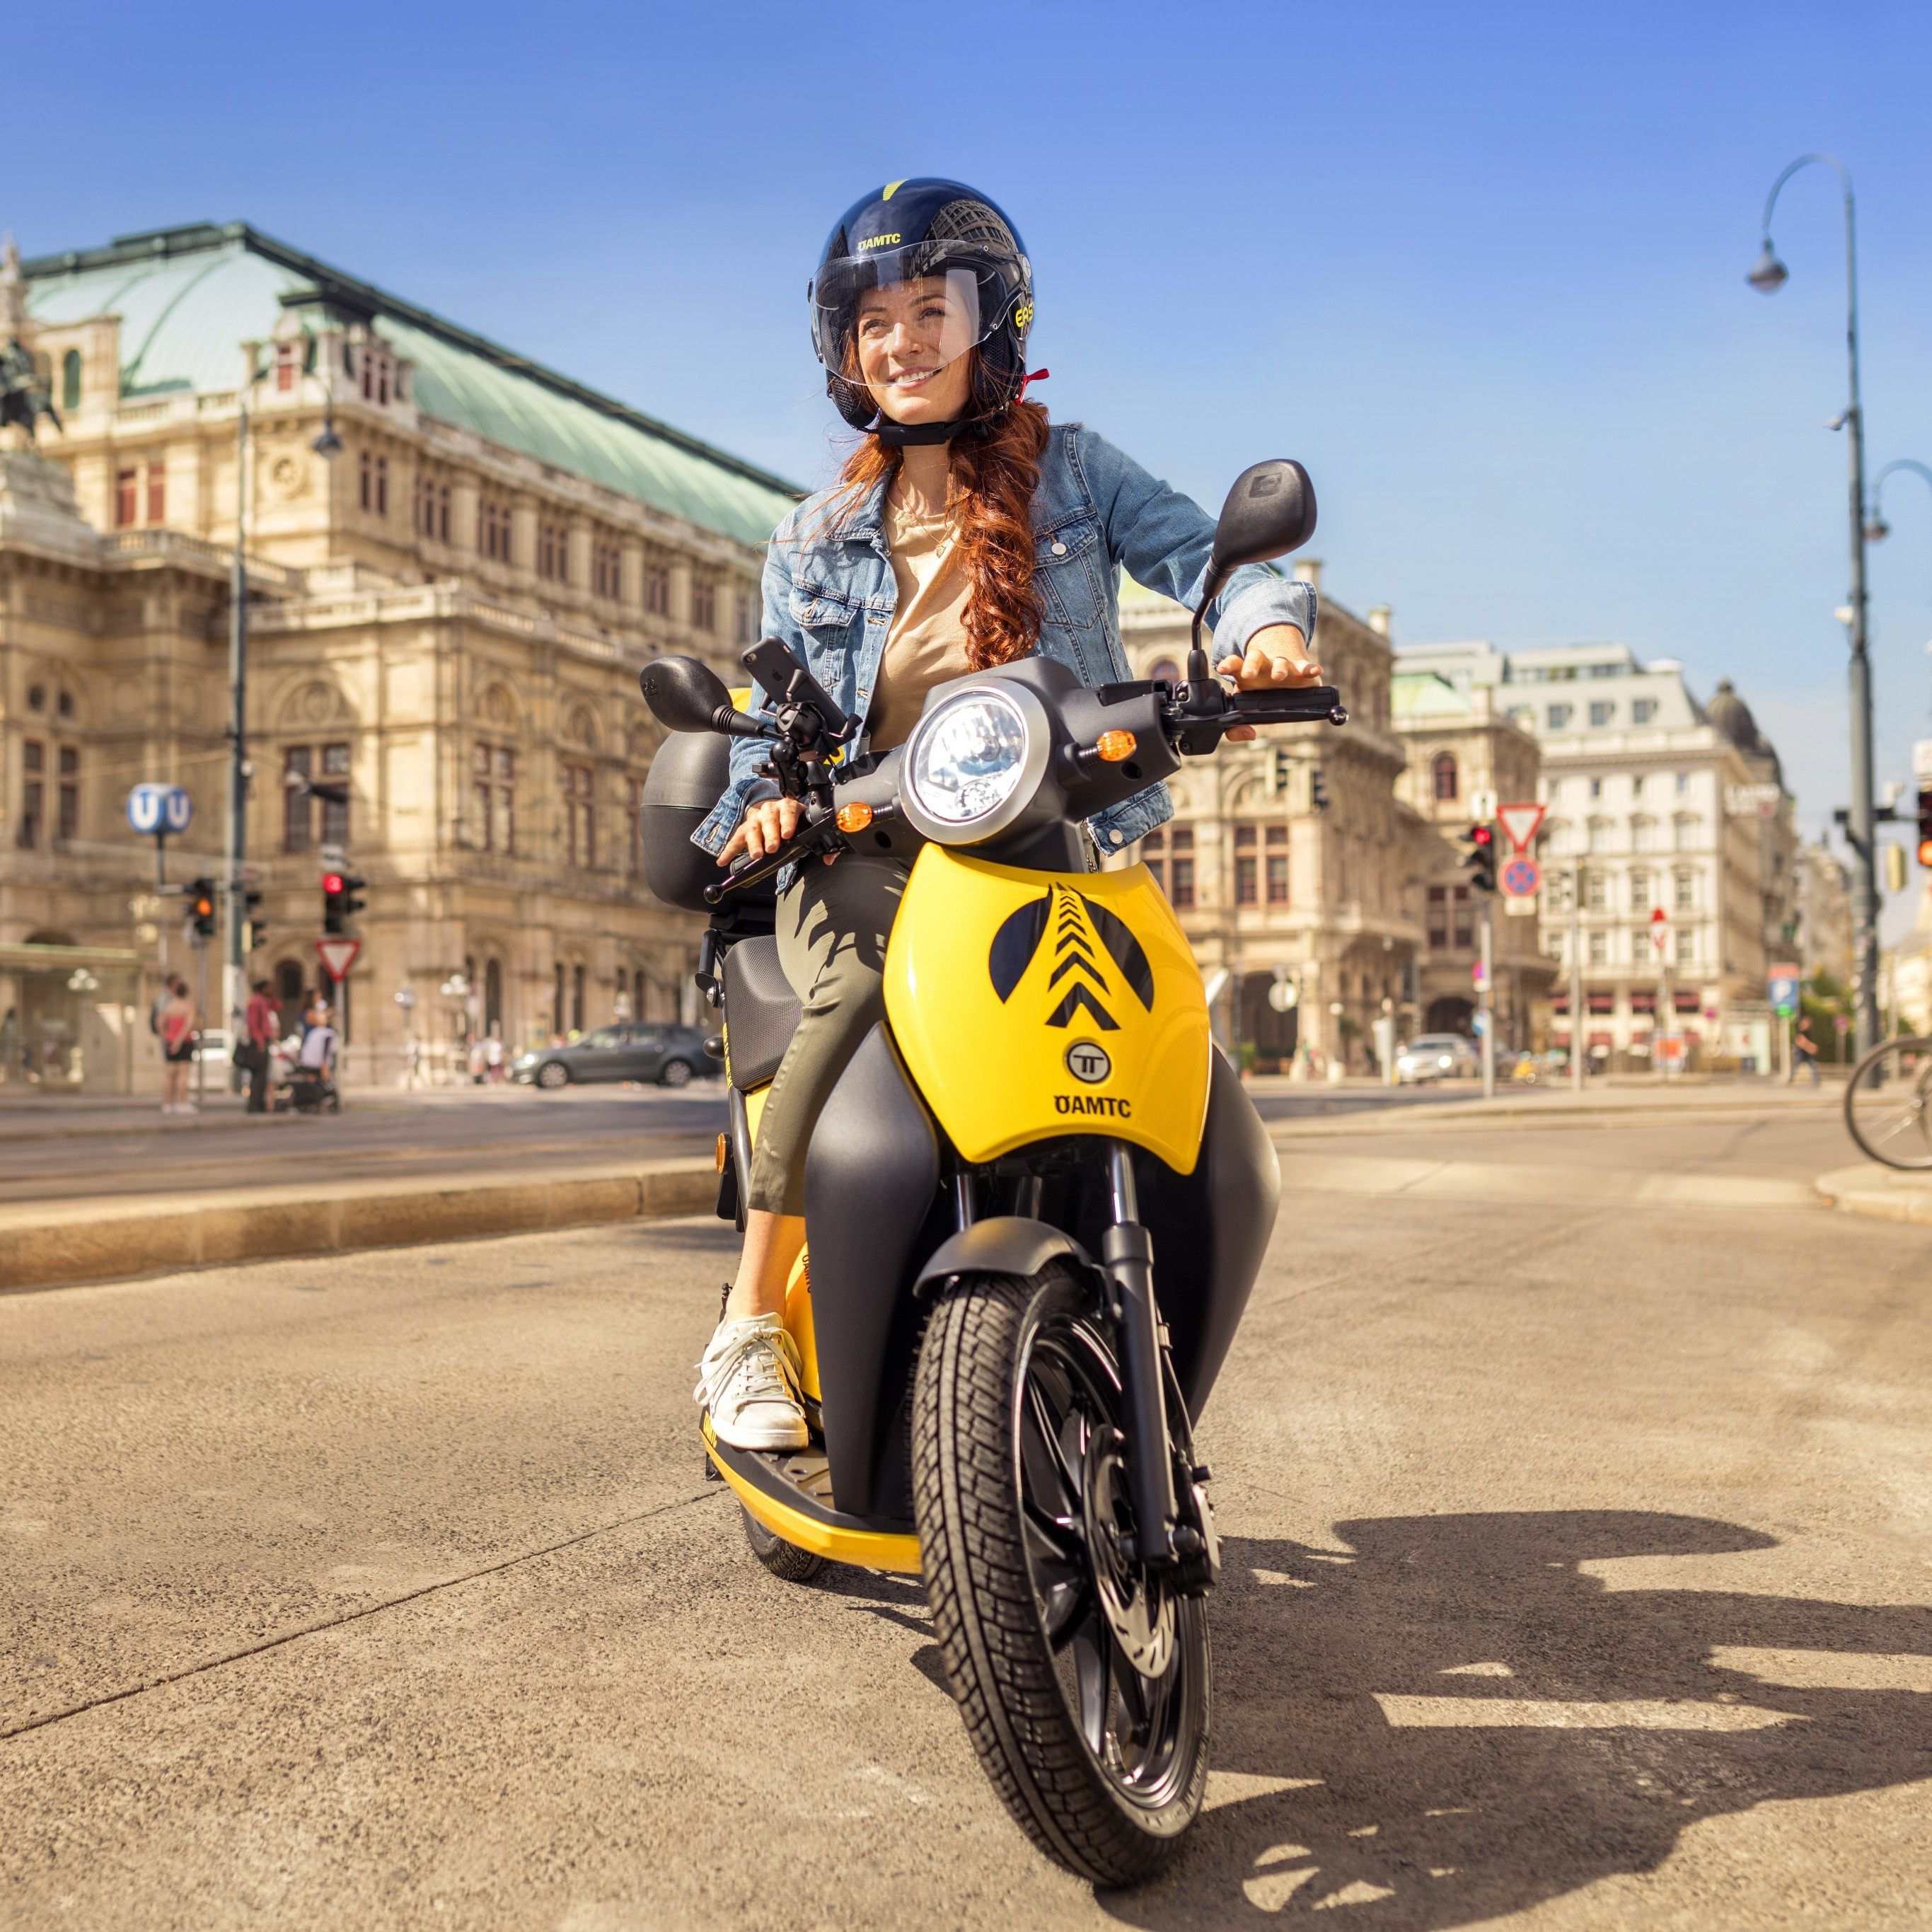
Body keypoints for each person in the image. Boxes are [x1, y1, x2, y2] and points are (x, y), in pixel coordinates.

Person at [687, 178, 1323, 1450]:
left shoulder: (1075, 472)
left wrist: (1262, 640)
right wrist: (764, 811)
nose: (902, 341)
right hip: (871, 846)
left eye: (932, 308)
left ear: (995, 322)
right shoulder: (811, 538)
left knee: (1170, 1051)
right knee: (856, 997)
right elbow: (786, 720)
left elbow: (1217, 561)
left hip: (1053, 835)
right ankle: (748, 1321)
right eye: (873, 322)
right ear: (843, 351)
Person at [158, 976, 198, 1114]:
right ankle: (182, 1103)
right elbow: (189, 1025)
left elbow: (160, 1024)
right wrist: (179, 1041)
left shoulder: (169, 1006)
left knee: (169, 1074)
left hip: (169, 1041)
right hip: (184, 1042)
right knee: (183, 1074)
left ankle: (168, 1104)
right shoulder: (188, 1006)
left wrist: (167, 1039)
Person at [243, 978, 280, 1114]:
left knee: (263, 1076)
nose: (271, 990)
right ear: (262, 988)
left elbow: (278, 1006)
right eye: (269, 988)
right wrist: (260, 1042)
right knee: (258, 1075)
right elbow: (253, 1025)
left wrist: (273, 997)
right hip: (259, 1043)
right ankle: (254, 1105)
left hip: (264, 1041)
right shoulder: (255, 1003)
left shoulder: (265, 1002)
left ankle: (259, 1104)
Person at [1788, 1012, 1821, 1087]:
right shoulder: (1800, 1030)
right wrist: (1810, 1047)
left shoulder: (1807, 1031)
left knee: (1813, 1066)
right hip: (1800, 1053)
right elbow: (1800, 1041)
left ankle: (1817, 1081)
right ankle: (1790, 1080)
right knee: (1795, 1067)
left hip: (1807, 1054)